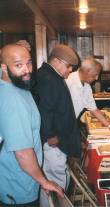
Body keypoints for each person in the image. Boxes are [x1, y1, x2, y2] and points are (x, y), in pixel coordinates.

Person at [0, 44, 63, 206]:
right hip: (18, 185)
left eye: (29, 62)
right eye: (18, 65)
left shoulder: (16, 84)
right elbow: (22, 152)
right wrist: (44, 181)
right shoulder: (13, 100)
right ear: (4, 68)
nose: (27, 70)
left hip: (23, 177)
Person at [32, 44, 80, 206]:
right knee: (56, 182)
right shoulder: (48, 78)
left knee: (54, 179)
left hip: (55, 140)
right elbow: (45, 110)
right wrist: (51, 135)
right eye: (69, 66)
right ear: (57, 61)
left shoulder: (49, 75)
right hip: (53, 143)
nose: (70, 71)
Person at [65, 57, 110, 133]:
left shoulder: (87, 87)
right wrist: (51, 134)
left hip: (70, 125)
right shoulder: (68, 81)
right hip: (57, 128)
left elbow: (94, 110)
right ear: (87, 71)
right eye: (95, 75)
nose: (96, 78)